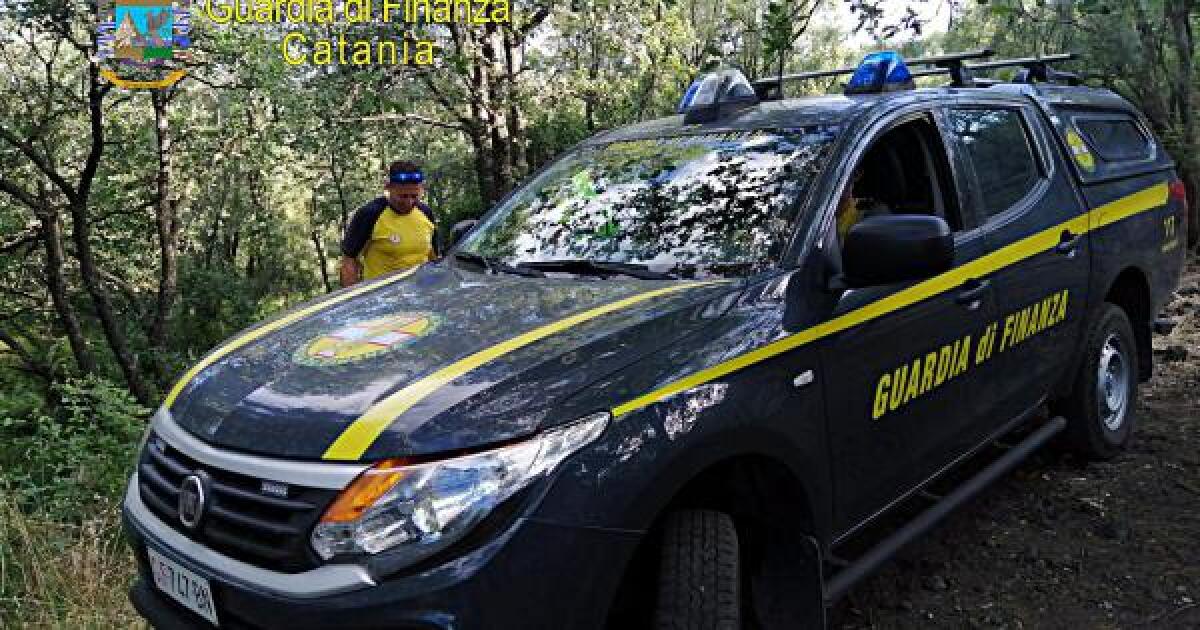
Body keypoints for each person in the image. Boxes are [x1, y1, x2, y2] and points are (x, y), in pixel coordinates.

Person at [340, 160, 438, 287]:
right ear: (388, 187)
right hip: (382, 297)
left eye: (414, 196)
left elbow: (434, 257)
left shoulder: (426, 213)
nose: (409, 202)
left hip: (420, 294)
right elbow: (349, 261)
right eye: (403, 196)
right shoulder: (370, 214)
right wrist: (351, 301)